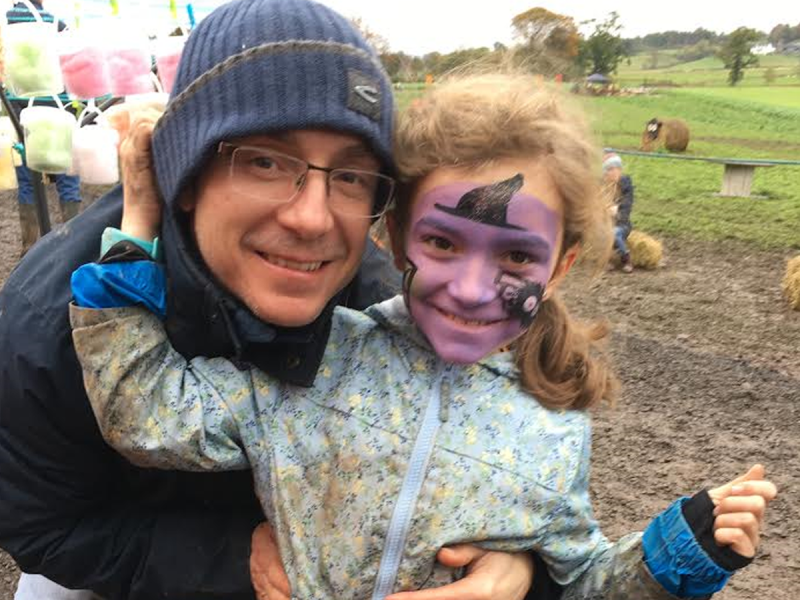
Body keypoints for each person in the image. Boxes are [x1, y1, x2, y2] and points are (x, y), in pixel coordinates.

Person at [69, 74, 777, 599]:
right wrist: (138, 221)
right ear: (395, 233)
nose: (470, 288)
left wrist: (678, 553)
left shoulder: (554, 430)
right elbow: (144, 413)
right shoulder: (313, 358)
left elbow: (584, 584)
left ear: (560, 267)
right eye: (442, 242)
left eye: (517, 257)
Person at [0, 1, 546, 599]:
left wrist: (518, 564)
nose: (312, 218)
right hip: (113, 561)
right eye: (264, 161)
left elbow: (474, 465)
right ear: (184, 177)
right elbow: (45, 525)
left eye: (350, 176)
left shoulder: (384, 314)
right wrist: (232, 557)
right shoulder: (48, 323)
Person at [5, 0, 83, 256]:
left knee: (29, 182)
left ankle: (30, 250)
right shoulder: (56, 24)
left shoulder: (7, 23)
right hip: (59, 109)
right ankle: (73, 245)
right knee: (67, 178)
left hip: (24, 113)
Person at [602, 152, 634, 273]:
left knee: (614, 233)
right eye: (609, 170)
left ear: (619, 170)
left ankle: (626, 259)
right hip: (606, 223)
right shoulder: (604, 187)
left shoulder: (626, 186)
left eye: (614, 169)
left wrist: (617, 211)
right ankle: (607, 259)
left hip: (622, 224)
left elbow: (627, 206)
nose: (612, 172)